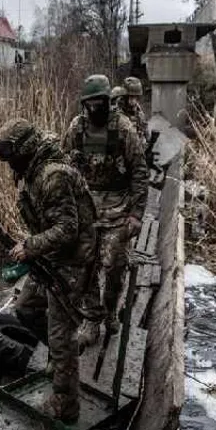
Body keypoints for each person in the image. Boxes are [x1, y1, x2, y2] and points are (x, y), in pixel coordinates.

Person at [0, 118, 97, 424]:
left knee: (60, 330)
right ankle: (59, 358)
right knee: (25, 309)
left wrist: (31, 245)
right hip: (52, 254)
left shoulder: (52, 176)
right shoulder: (32, 172)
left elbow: (68, 228)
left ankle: (66, 405)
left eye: (9, 153)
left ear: (24, 149)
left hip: (74, 258)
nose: (7, 161)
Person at [63, 74, 148, 347]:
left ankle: (111, 310)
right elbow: (64, 164)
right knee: (85, 265)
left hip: (118, 208)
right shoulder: (77, 128)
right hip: (87, 208)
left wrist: (136, 214)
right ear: (85, 103)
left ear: (108, 100)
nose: (95, 107)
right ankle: (92, 320)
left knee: (113, 266)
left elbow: (140, 171)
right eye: (90, 102)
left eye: (100, 101)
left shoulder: (123, 128)